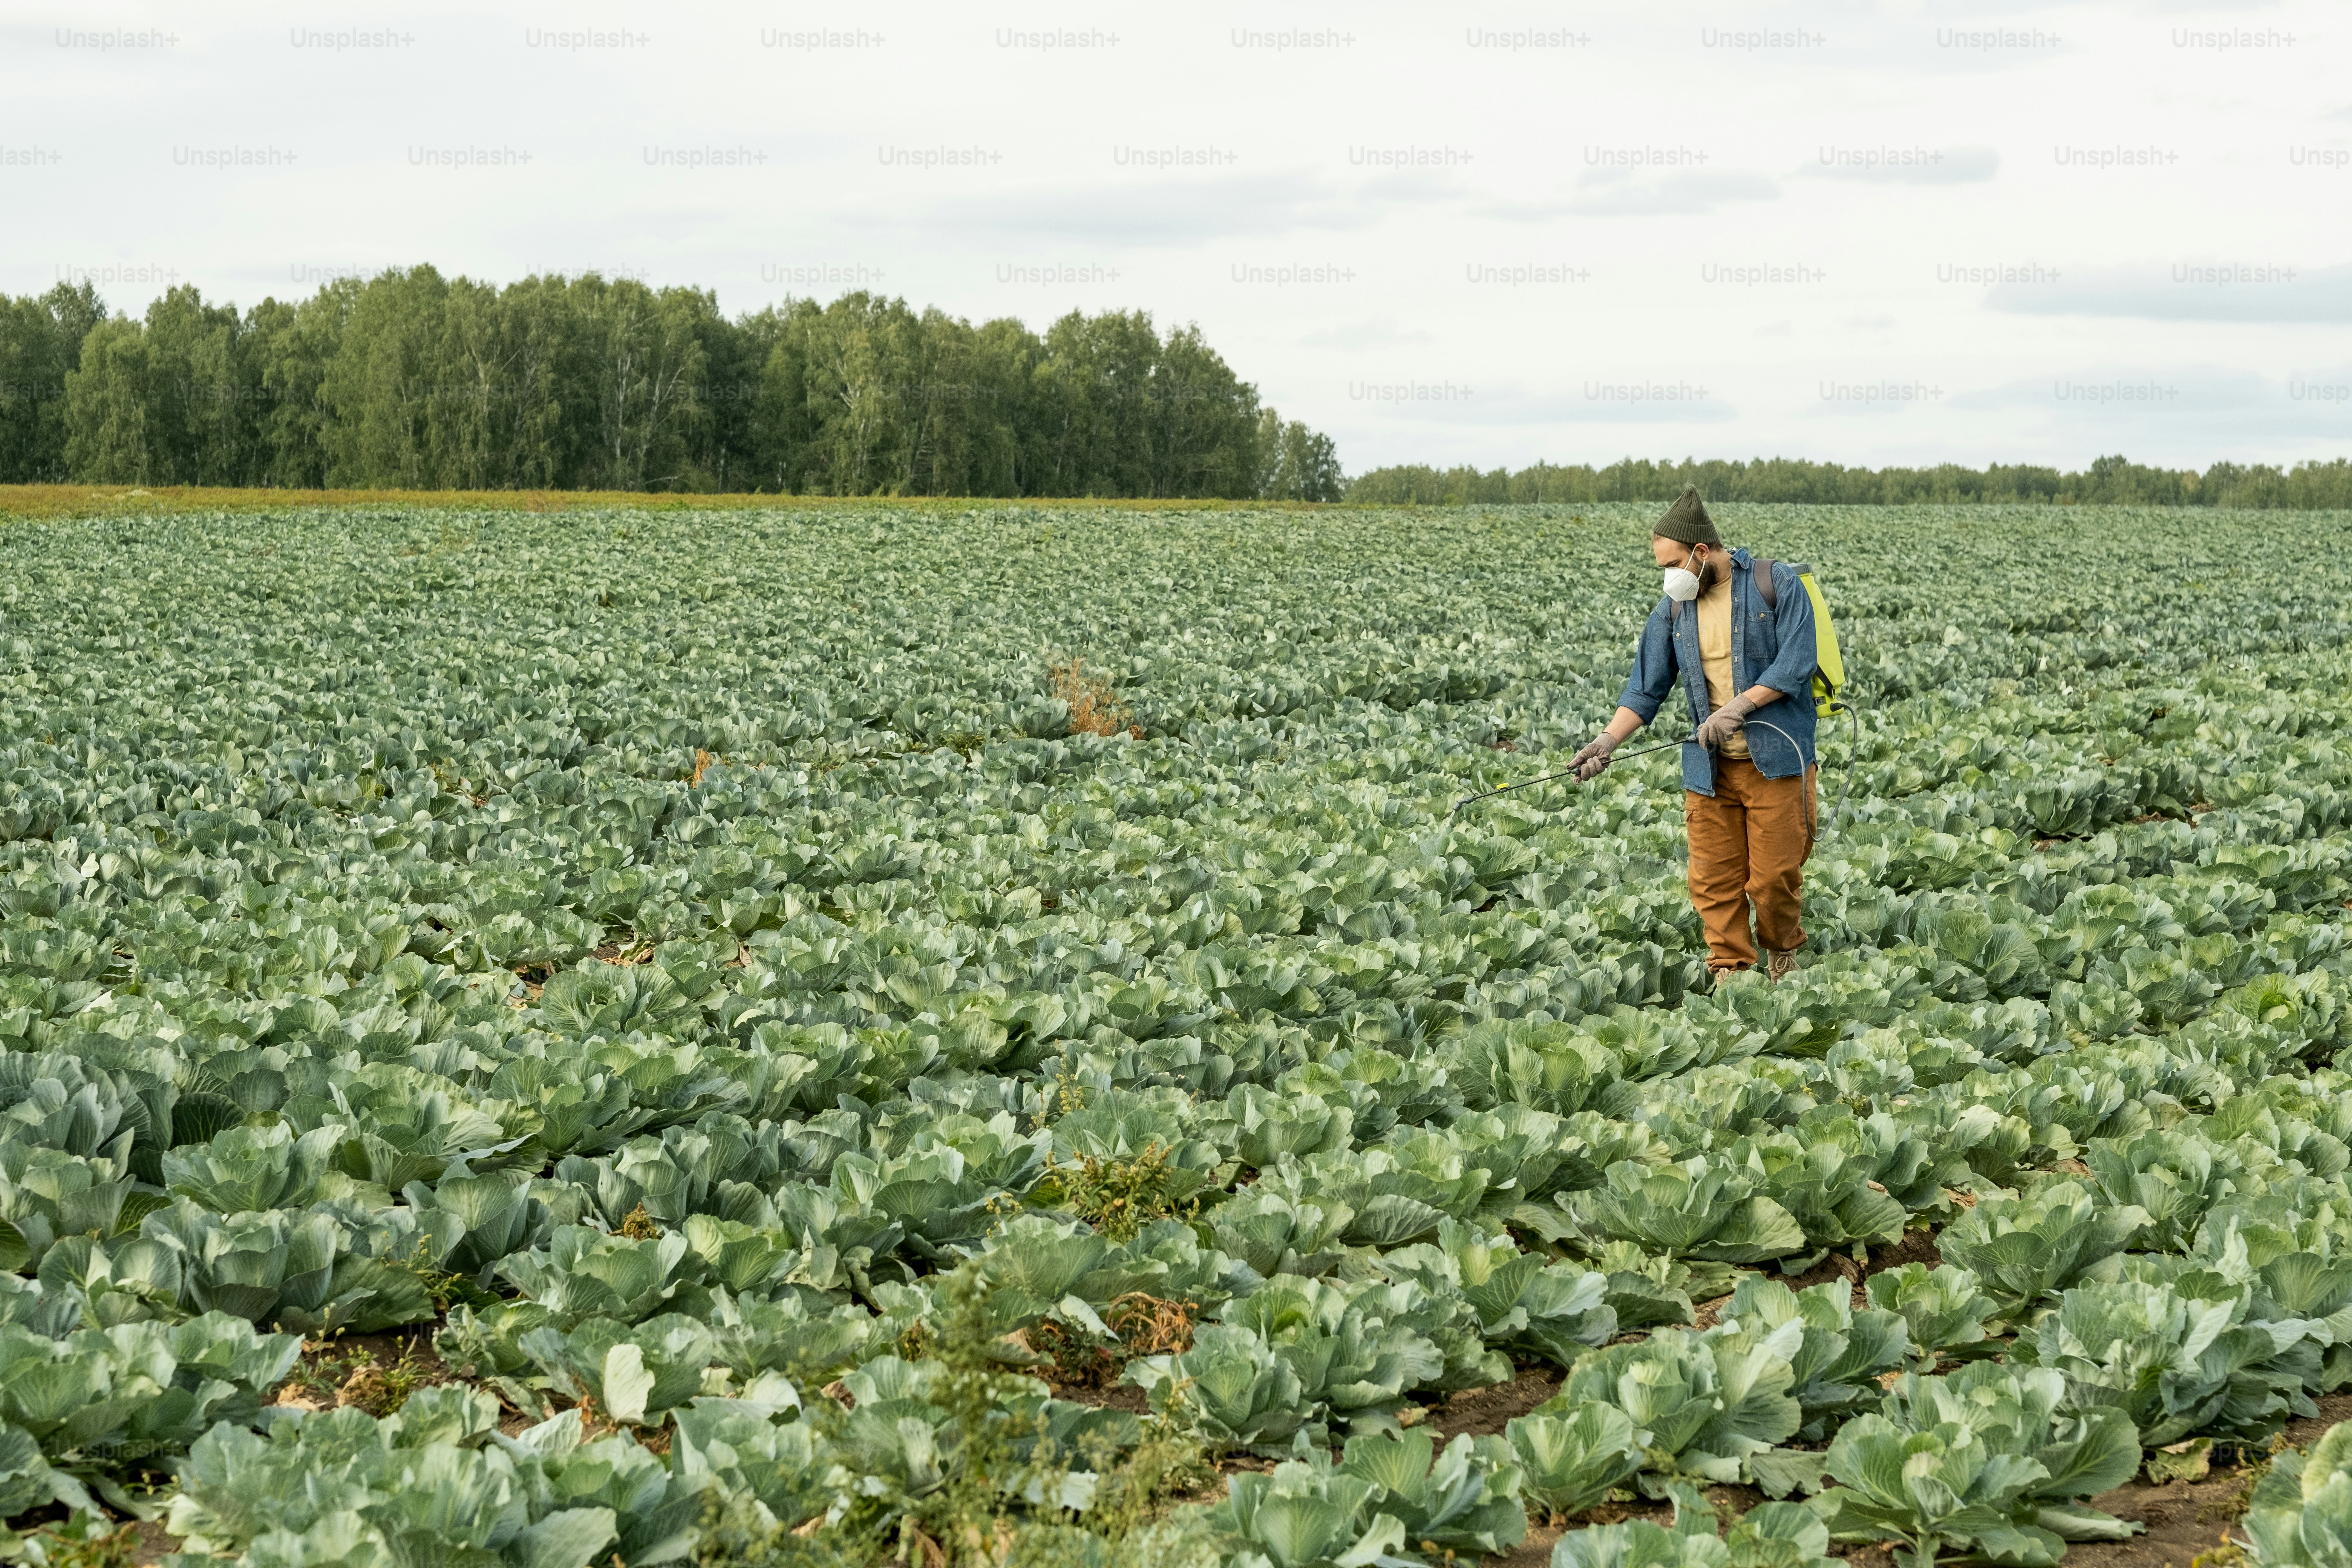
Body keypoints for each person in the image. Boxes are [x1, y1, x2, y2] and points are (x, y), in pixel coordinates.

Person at [1568, 485, 1819, 980]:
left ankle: (1781, 952)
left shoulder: (1776, 583)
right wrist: (1606, 742)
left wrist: (1740, 707)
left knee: (1773, 880)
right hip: (1711, 767)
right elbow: (1645, 689)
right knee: (1713, 878)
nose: (1669, 576)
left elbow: (1797, 663)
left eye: (1674, 564)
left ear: (1702, 552)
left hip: (1777, 760)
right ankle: (1728, 967)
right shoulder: (1674, 610)